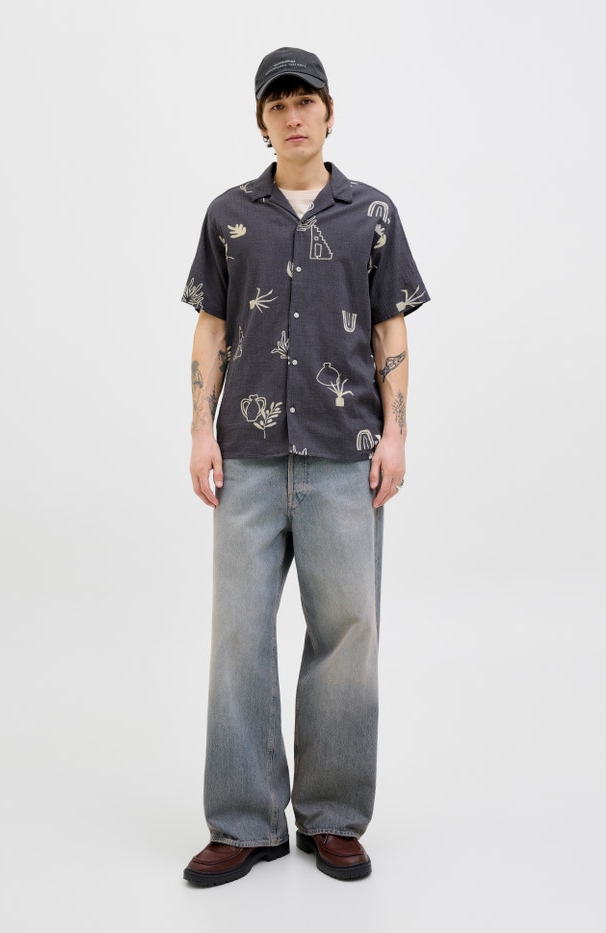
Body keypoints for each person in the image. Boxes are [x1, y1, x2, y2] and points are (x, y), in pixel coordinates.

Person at [181, 47, 430, 886]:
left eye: (305, 101)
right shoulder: (228, 215)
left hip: (344, 457)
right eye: (278, 104)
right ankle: (244, 821)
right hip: (247, 461)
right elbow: (212, 328)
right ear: (262, 121)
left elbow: (391, 329)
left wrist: (397, 434)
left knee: (348, 633)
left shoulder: (373, 214)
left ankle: (331, 816)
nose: (293, 116)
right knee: (238, 637)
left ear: (328, 112)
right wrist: (199, 430)